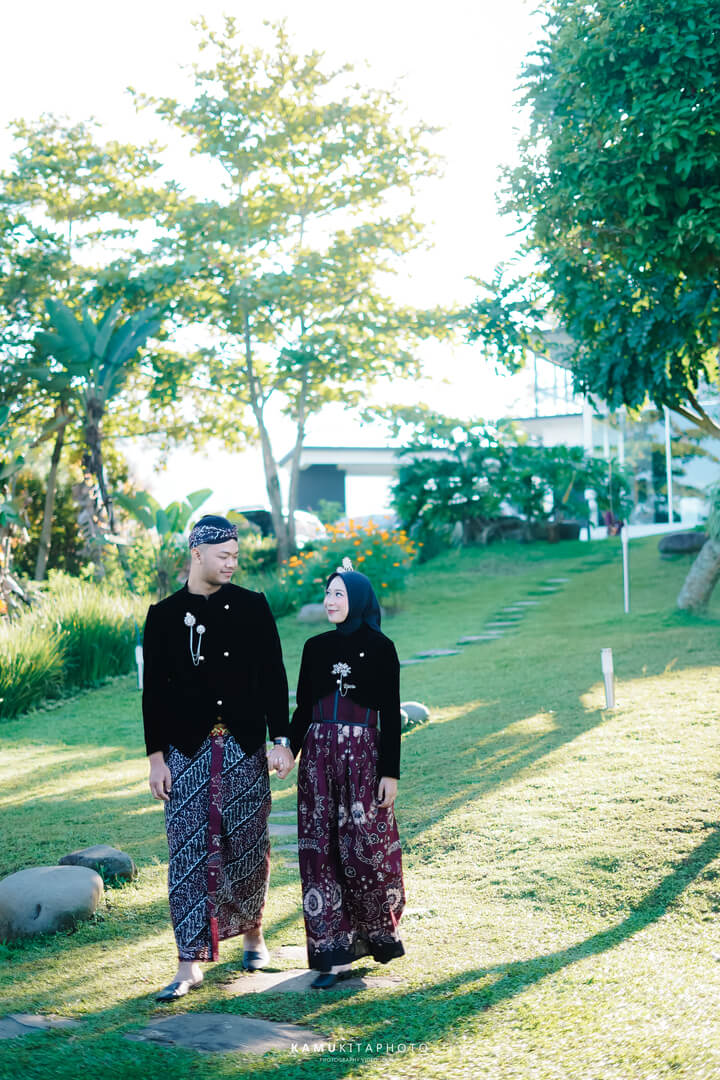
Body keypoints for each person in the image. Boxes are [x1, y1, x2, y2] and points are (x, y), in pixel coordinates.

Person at [142, 514, 294, 1002]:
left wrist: (281, 739)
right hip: (186, 753)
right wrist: (156, 759)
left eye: (235, 556)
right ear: (197, 553)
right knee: (187, 853)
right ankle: (188, 963)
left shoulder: (253, 606)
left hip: (245, 747)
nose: (231, 563)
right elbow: (153, 694)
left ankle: (253, 933)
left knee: (248, 847)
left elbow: (274, 676)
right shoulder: (164, 615)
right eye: (223, 556)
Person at [289, 558, 405, 989]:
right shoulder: (315, 648)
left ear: (357, 599)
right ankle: (332, 955)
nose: (330, 601)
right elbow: (303, 709)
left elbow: (390, 715)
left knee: (364, 852)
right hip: (318, 761)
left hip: (363, 760)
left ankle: (373, 935)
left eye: (339, 593)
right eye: (327, 594)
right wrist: (288, 749)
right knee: (319, 852)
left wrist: (390, 773)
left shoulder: (381, 648)